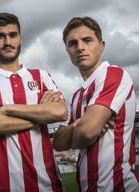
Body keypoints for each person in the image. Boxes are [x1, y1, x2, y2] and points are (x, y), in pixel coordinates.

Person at [0, 12, 68, 192]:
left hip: (47, 184)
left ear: (20, 38)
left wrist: (6, 109)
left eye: (13, 35)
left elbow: (60, 112)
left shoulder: (41, 76)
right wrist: (41, 113)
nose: (8, 42)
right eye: (0, 36)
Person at [53, 16, 139, 191]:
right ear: (67, 51)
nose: (80, 48)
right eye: (73, 43)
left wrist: (81, 129)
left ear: (102, 45)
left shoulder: (114, 75)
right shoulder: (76, 95)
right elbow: (58, 143)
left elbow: (86, 132)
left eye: (87, 40)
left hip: (119, 186)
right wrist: (80, 124)